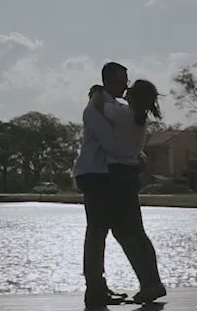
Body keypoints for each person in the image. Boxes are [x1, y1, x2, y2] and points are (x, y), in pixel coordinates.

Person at [71, 63, 165, 307]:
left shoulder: (114, 108)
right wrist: (136, 158)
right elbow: (112, 144)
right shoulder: (97, 109)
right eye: (122, 80)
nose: (126, 84)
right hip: (96, 175)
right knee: (103, 232)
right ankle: (99, 289)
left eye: (128, 80)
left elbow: (119, 141)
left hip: (111, 176)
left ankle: (107, 289)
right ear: (108, 81)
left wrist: (134, 157)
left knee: (116, 231)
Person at [106, 79, 166, 304]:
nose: (126, 90)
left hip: (119, 176)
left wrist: (97, 93)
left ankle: (149, 283)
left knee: (123, 233)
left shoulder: (124, 115)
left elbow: (103, 107)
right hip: (130, 176)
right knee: (137, 233)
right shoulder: (138, 117)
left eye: (130, 89)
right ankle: (152, 281)